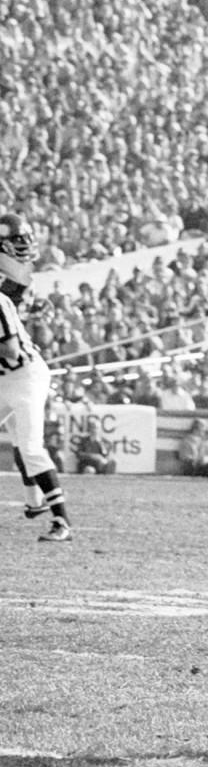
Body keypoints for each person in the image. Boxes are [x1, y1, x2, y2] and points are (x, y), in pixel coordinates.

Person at [0, 214, 72, 541]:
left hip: (24, 375)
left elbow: (11, 351)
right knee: (21, 440)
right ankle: (34, 501)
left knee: (30, 446)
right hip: (6, 377)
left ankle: (62, 523)